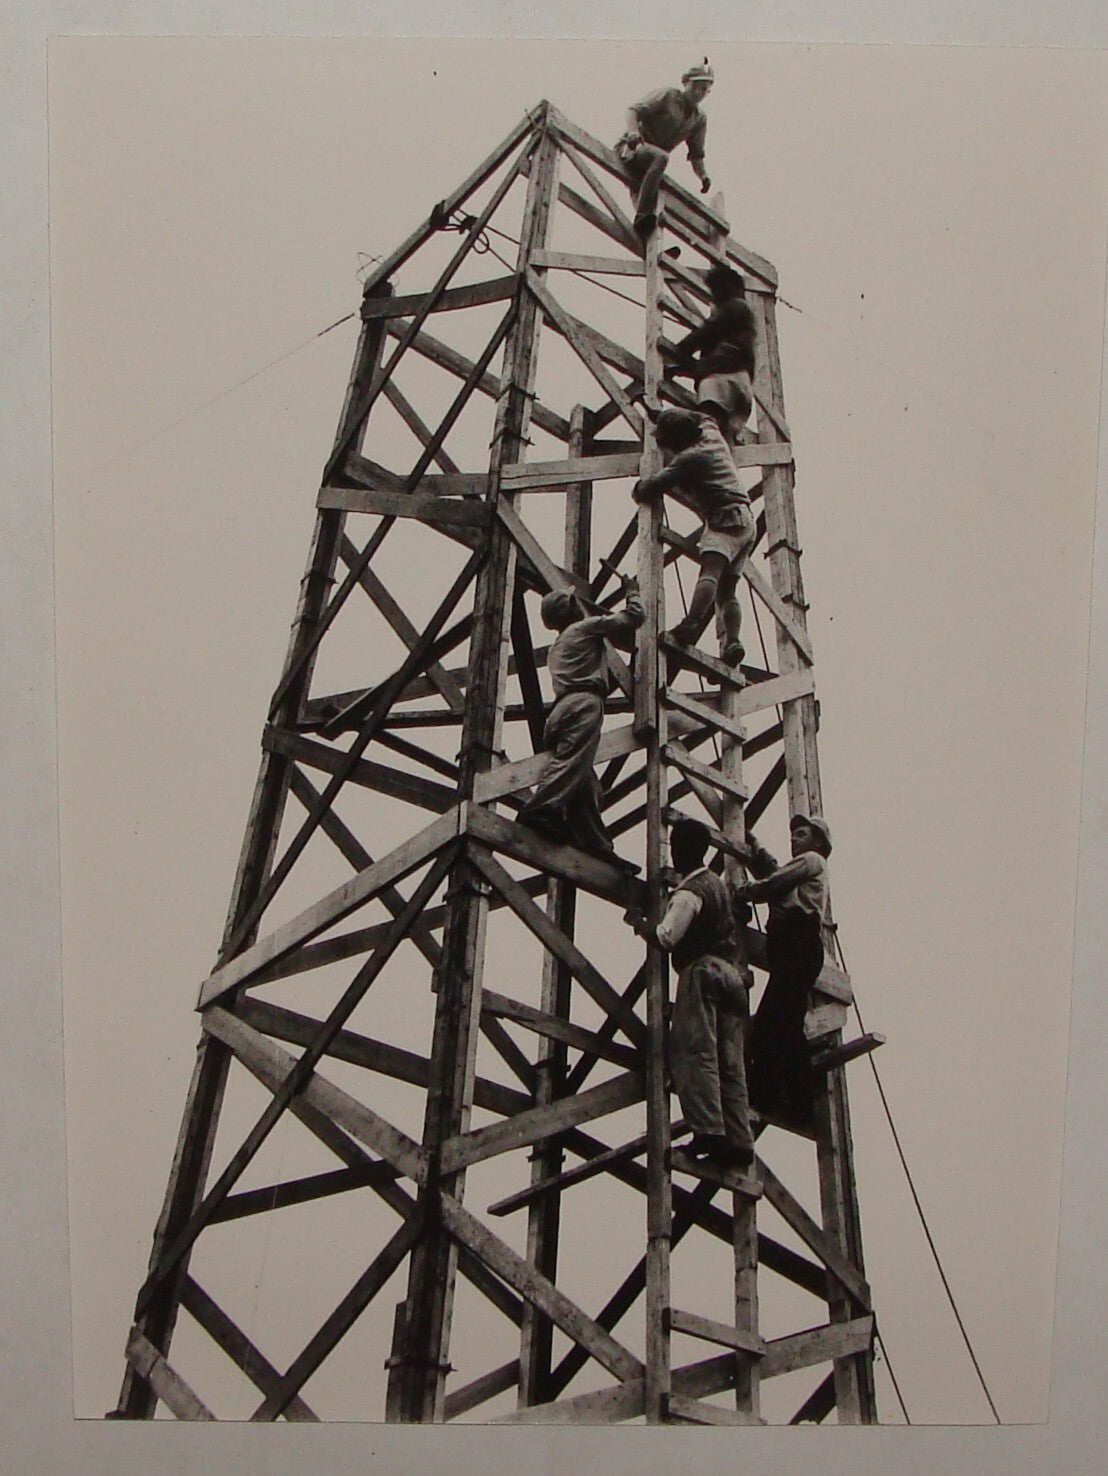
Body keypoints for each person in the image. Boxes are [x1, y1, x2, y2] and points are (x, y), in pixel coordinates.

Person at [517, 578, 644, 862]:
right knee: (572, 762)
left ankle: (597, 844)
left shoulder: (559, 646)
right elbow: (633, 618)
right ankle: (539, 809)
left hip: (562, 709)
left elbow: (591, 670)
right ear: (571, 609)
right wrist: (632, 592)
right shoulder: (584, 628)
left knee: (585, 783)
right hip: (583, 705)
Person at [653, 817, 755, 1169]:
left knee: (696, 1051)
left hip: (703, 973)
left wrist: (642, 926)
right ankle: (740, 1141)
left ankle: (709, 1133)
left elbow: (666, 937)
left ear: (680, 850)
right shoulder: (717, 885)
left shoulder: (690, 892)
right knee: (730, 1063)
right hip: (732, 978)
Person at [631, 406, 756, 668]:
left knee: (709, 573)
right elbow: (702, 417)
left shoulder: (690, 458)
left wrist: (639, 488)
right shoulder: (710, 434)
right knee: (727, 590)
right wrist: (660, 413)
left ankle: (691, 624)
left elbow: (653, 487)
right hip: (745, 520)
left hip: (725, 517)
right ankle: (732, 641)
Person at [731, 814, 833, 1130]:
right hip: (791, 948)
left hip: (798, 944)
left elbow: (774, 882)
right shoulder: (800, 871)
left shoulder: (812, 860)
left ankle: (780, 1097)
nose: (794, 839)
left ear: (818, 841)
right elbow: (775, 872)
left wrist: (743, 891)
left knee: (776, 1025)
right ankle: (790, 1099)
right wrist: (755, 845)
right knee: (783, 1023)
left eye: (801, 834)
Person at [615, 60, 715, 237]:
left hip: (651, 168)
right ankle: (642, 216)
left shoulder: (699, 119)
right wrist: (632, 133)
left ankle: (652, 244)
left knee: (653, 208)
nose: (699, 93)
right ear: (686, 83)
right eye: (696, 86)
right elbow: (633, 111)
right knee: (661, 159)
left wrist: (703, 176)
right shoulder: (668, 95)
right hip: (634, 149)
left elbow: (696, 154)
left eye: (705, 89)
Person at [666, 264, 757, 444]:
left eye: (717, 288)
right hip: (739, 384)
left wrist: (677, 352)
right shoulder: (739, 323)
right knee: (723, 441)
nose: (715, 294)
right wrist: (683, 366)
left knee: (708, 433)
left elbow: (702, 335)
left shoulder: (735, 307)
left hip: (722, 381)